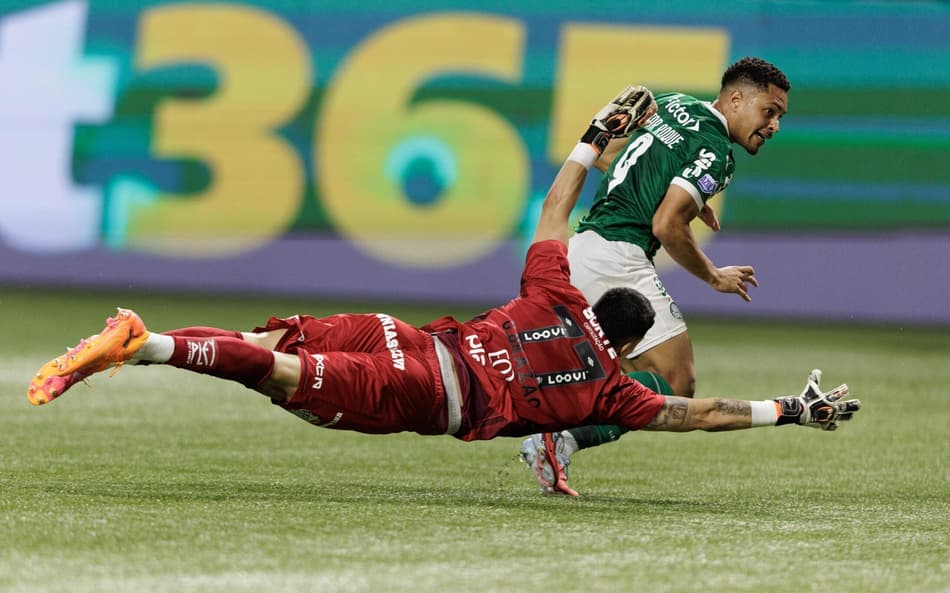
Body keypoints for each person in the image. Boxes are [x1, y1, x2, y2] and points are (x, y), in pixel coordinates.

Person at [27, 86, 859, 495]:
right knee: (282, 381)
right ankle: (146, 343)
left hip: (414, 338)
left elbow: (553, 207)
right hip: (423, 390)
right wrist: (789, 407)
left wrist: (589, 139)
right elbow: (692, 410)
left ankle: (142, 343)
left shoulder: (550, 293)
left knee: (280, 339)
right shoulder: (606, 389)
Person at [520, 56, 793, 495]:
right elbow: (667, 226)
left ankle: (556, 430)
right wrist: (714, 277)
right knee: (675, 381)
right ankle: (561, 437)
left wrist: (670, 186)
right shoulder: (717, 151)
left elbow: (612, 154)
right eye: (770, 111)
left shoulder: (672, 103)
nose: (775, 125)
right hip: (618, 258)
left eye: (779, 116)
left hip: (584, 248)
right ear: (737, 98)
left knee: (620, 366)